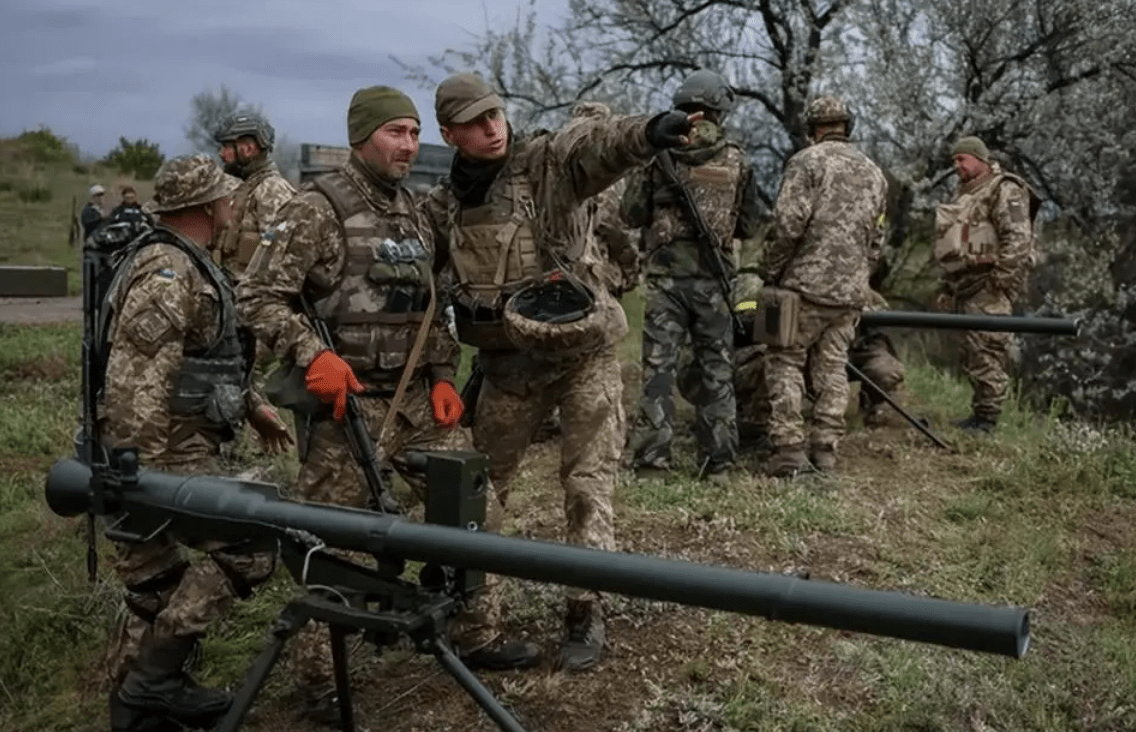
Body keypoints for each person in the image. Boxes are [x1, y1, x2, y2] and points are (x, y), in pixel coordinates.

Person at [236, 86, 540, 715]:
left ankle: (476, 632)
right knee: (333, 545)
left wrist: (442, 378)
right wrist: (311, 354)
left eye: (411, 132)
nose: (407, 144)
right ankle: (322, 682)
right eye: (394, 133)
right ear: (360, 138)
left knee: (473, 514)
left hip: (416, 409)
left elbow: (432, 306)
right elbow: (258, 295)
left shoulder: (415, 210)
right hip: (348, 412)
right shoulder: (315, 207)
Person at [422, 71, 700, 672]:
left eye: (496, 114)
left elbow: (596, 145)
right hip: (506, 366)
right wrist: (443, 369)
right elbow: (426, 294)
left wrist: (649, 131)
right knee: (477, 491)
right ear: (449, 134)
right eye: (475, 122)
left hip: (583, 357)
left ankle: (585, 607)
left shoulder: (545, 163)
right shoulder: (443, 204)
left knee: (585, 486)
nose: (492, 128)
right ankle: (474, 616)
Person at [98, 154, 292, 731]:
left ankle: (134, 712)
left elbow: (204, 358)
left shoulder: (188, 263)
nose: (234, 206)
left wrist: (253, 405)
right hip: (163, 454)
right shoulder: (167, 271)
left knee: (153, 588)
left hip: (164, 449)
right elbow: (138, 379)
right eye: (227, 198)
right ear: (209, 206)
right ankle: (154, 684)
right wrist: (142, 480)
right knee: (252, 544)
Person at [621, 69, 762, 481]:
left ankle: (651, 465)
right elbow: (749, 226)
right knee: (717, 371)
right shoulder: (737, 159)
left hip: (666, 284)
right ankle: (718, 464)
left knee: (658, 373)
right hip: (713, 284)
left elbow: (630, 213)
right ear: (720, 110)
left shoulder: (656, 154)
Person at [759, 95, 888, 477]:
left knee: (784, 361)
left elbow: (787, 224)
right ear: (847, 127)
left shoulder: (807, 162)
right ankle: (825, 451)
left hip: (803, 287)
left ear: (814, 128)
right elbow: (877, 240)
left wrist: (770, 270)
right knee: (833, 367)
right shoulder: (874, 172)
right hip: (850, 292)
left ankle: (788, 450)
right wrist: (859, 277)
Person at [933, 136, 1038, 433]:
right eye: (954, 160)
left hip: (988, 287)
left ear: (979, 159)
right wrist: (947, 285)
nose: (956, 166)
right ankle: (979, 415)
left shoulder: (1004, 189)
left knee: (988, 351)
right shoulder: (965, 194)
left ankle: (987, 421)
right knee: (972, 352)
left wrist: (999, 280)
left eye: (961, 159)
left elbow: (1018, 240)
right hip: (965, 286)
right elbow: (953, 244)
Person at [213, 112, 296, 276]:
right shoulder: (244, 187)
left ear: (249, 149)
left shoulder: (272, 190)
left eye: (226, 146)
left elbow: (282, 259)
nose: (221, 154)